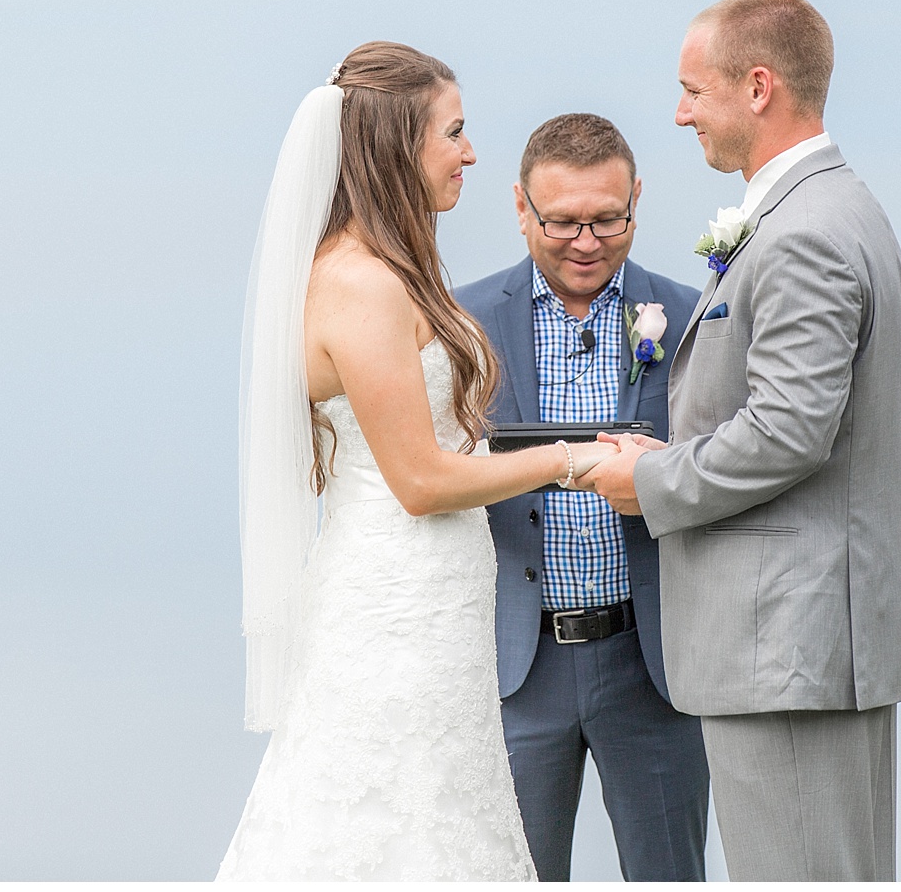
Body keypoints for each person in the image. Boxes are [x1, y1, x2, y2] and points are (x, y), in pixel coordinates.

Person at [218, 43, 616, 880]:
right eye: (455, 132)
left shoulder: (396, 269)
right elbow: (422, 480)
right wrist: (571, 459)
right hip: (392, 610)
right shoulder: (360, 284)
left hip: (441, 610)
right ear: (400, 142)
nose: (471, 152)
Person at [582, 0, 901, 881]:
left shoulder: (804, 231)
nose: (681, 110)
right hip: (801, 641)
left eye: (695, 88)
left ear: (760, 86)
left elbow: (790, 427)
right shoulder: (823, 209)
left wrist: (649, 482)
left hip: (789, 645)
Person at [454, 114, 708, 881]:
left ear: (637, 199)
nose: (587, 241)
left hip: (654, 660)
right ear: (521, 207)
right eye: (563, 221)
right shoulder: (462, 320)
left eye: (608, 219)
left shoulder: (694, 314)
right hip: (515, 665)